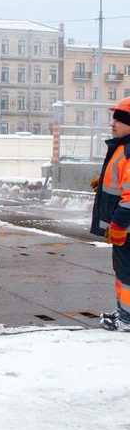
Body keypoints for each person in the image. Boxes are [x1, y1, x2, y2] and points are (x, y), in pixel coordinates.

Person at [91, 97, 130, 331]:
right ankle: (124, 312)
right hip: (124, 227)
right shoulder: (122, 147)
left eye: (119, 120)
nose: (113, 124)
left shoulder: (128, 151)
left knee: (126, 272)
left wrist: (117, 224)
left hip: (126, 228)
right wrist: (104, 181)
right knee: (122, 269)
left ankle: (126, 318)